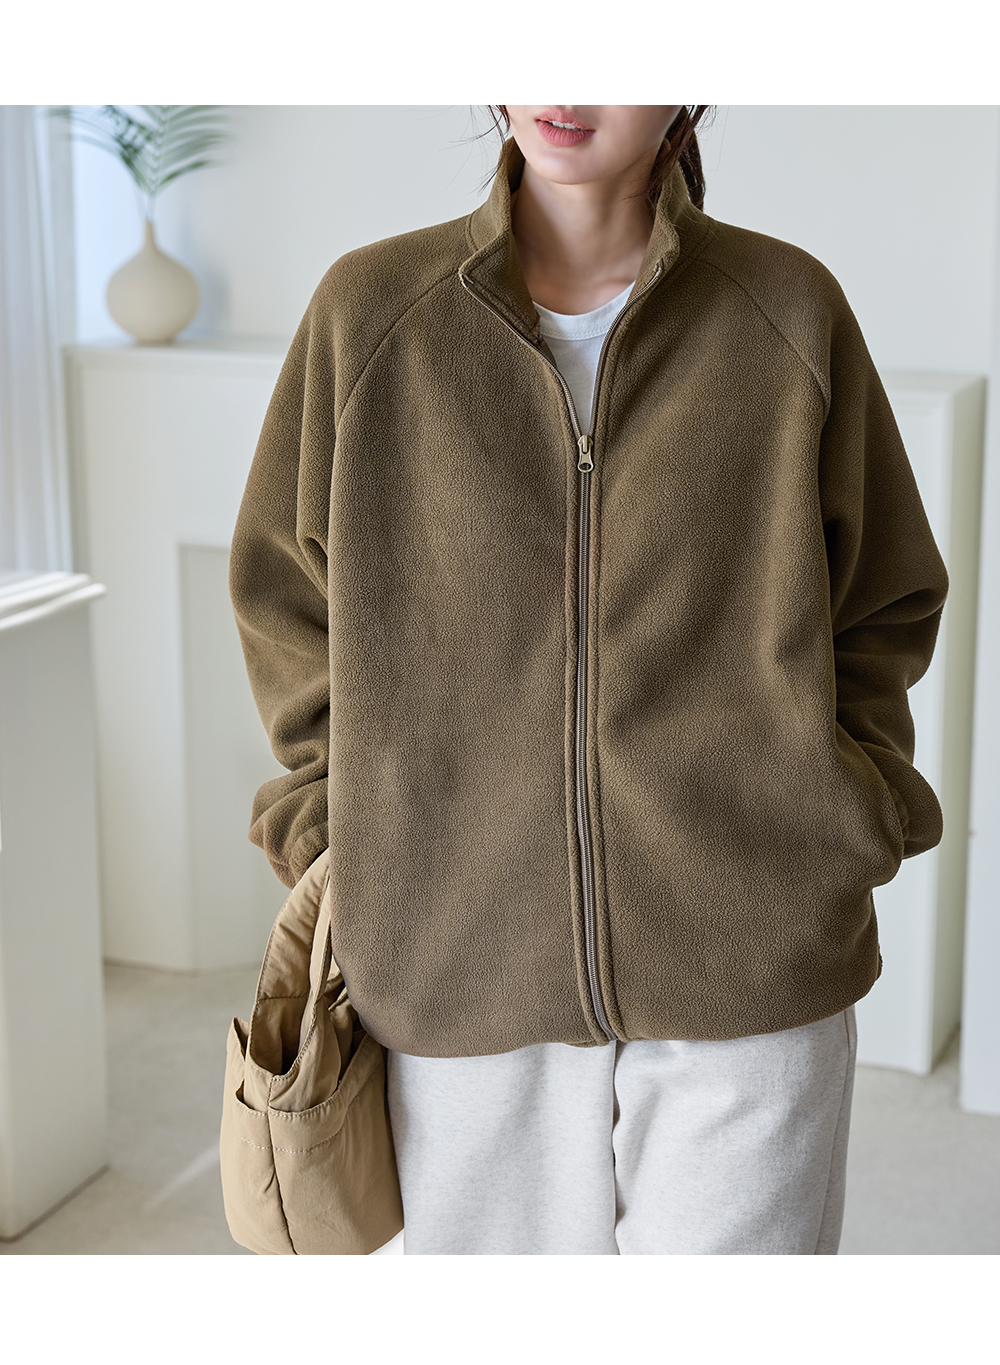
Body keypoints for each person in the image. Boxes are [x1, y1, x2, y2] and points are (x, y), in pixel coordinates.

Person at [229, 105, 949, 1255]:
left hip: (751, 971)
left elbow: (883, 599)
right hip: (456, 969)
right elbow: (287, 601)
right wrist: (343, 837)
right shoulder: (371, 314)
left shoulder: (784, 310)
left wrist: (840, 815)